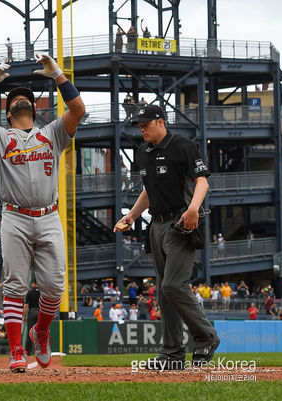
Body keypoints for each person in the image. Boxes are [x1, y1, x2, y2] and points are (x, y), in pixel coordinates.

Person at [0, 53, 84, 373]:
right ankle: (16, 349)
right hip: (14, 216)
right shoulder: (0, 137)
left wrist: (57, 74)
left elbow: (78, 109)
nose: (19, 100)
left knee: (55, 286)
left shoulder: (52, 133)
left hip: (48, 215)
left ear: (33, 108)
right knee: (15, 285)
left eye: (24, 98)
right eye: (14, 99)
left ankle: (40, 332)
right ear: (8, 112)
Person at [114, 104, 220, 370]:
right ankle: (172, 354)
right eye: (139, 125)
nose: (141, 129)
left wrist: (194, 208)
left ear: (160, 122)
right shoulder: (143, 153)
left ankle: (206, 337)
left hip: (181, 222)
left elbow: (202, 181)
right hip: (157, 225)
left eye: (145, 124)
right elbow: (148, 192)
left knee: (173, 286)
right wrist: (132, 216)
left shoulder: (182, 145)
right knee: (164, 293)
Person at [23, 281, 40, 355]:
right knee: (41, 332)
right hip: (41, 312)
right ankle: (42, 351)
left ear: (33, 284)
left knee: (30, 332)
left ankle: (28, 351)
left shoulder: (29, 292)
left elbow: (26, 306)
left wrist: (24, 316)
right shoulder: (42, 292)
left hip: (32, 311)